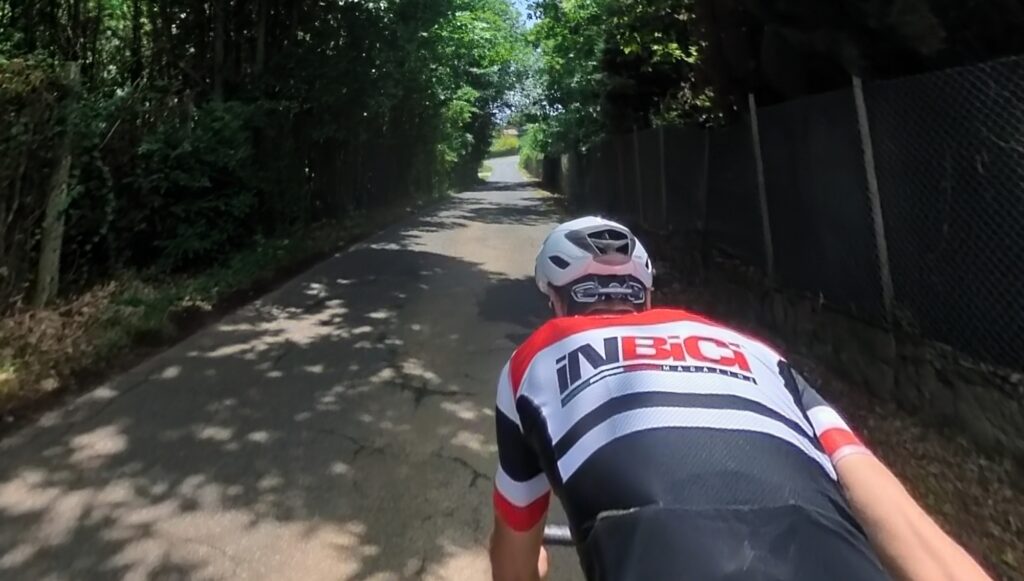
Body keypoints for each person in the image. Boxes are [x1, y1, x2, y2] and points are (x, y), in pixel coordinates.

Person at [488, 216, 991, 581]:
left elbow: (515, 558)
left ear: (556, 298)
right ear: (644, 293)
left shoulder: (533, 359)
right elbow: (907, 525)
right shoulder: (762, 355)